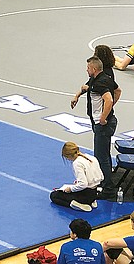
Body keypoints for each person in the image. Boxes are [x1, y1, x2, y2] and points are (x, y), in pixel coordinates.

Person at [71, 56, 120, 198]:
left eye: (87, 68)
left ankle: (108, 188)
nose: (86, 70)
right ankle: (105, 181)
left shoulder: (100, 83)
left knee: (101, 156)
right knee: (104, 154)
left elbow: (109, 99)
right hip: (102, 122)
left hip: (102, 124)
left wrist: (104, 116)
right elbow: (118, 91)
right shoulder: (104, 77)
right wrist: (77, 95)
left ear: (93, 69)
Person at [50, 142, 104, 212]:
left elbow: (83, 184)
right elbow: (101, 177)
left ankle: (78, 204)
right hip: (94, 193)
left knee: (54, 195)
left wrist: (70, 189)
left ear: (68, 156)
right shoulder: (90, 157)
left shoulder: (77, 163)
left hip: (85, 195)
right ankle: (92, 201)